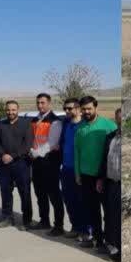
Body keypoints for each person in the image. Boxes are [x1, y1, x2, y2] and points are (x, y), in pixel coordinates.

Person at [74, 95, 116, 251]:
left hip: (104, 176)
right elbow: (77, 152)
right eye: (84, 109)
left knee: (108, 210)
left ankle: (111, 241)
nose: (86, 111)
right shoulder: (80, 128)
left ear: (96, 107)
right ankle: (99, 241)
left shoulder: (108, 125)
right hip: (86, 176)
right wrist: (77, 173)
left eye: (89, 108)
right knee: (92, 211)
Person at [28, 93, 64, 235]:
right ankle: (44, 221)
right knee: (40, 194)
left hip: (50, 162)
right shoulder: (35, 120)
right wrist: (31, 150)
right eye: (38, 102)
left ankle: (59, 225)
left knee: (54, 195)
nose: (40, 105)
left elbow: (52, 143)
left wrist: (36, 152)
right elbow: (32, 139)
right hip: (36, 163)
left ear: (49, 103)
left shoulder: (55, 121)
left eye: (43, 102)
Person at [0, 99, 33, 229]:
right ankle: (7, 217)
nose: (10, 112)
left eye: (13, 110)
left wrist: (12, 155)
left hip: (21, 164)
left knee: (25, 193)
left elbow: (27, 145)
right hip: (5, 164)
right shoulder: (1, 124)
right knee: (5, 191)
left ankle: (27, 220)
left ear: (18, 110)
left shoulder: (26, 123)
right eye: (8, 110)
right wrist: (2, 155)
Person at [59, 96, 87, 243]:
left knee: (82, 201)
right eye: (65, 108)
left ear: (78, 109)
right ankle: (75, 227)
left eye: (70, 108)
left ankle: (86, 231)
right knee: (69, 200)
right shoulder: (66, 124)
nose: (67, 111)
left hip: (81, 170)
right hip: (66, 169)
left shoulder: (84, 125)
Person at [102, 107, 122, 262]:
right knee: (112, 216)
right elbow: (105, 160)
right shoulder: (111, 137)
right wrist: (101, 179)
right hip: (111, 182)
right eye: (119, 119)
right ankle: (114, 246)